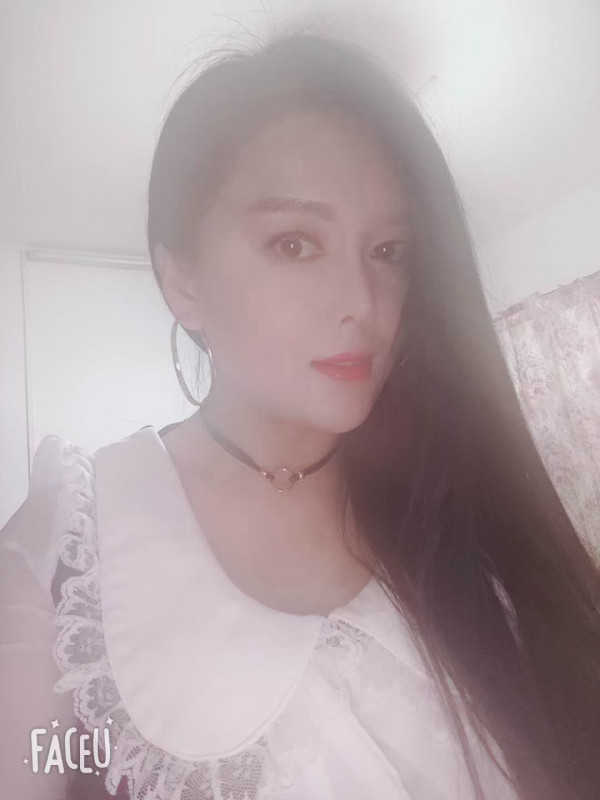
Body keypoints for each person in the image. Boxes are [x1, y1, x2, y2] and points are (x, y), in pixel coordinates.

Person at [1, 31, 599, 800]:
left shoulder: (460, 491)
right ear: (181, 283)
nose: (362, 301)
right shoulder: (66, 549)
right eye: (294, 243)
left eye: (389, 250)